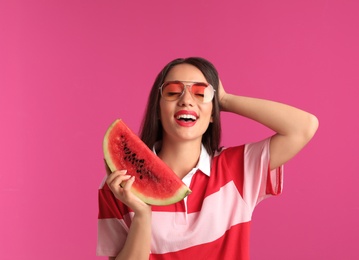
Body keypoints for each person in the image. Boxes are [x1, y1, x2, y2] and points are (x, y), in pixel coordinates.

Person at [97, 57, 319, 259]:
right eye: (173, 92)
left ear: (213, 112)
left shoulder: (237, 169)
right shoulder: (120, 185)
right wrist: (143, 216)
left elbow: (304, 127)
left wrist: (225, 99)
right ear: (157, 108)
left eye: (201, 93)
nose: (186, 100)